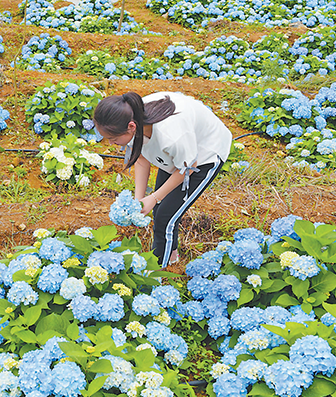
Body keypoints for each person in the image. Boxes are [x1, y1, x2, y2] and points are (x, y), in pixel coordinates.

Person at [93, 91, 232, 268]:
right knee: (160, 209)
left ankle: (158, 270)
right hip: (178, 155)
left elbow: (186, 169)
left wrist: (154, 197)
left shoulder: (172, 136)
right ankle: (171, 254)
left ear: (131, 127)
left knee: (165, 218)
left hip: (203, 155)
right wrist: (139, 199)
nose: (112, 144)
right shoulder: (127, 114)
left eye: (113, 139)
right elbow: (141, 157)